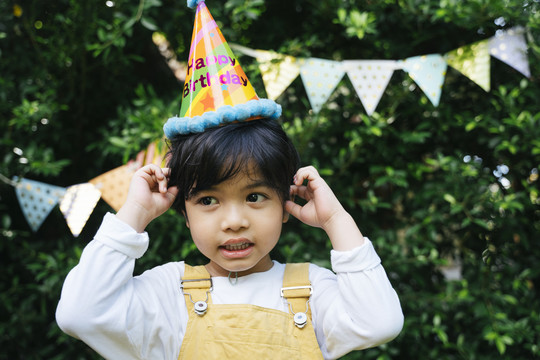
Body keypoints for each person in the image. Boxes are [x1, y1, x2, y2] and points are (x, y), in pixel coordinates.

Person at [56, 119, 403, 359]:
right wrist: (134, 213)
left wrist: (335, 219)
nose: (234, 222)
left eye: (255, 197)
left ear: (285, 204)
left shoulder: (311, 290)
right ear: (184, 214)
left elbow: (380, 322)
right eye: (208, 200)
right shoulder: (168, 293)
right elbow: (80, 314)